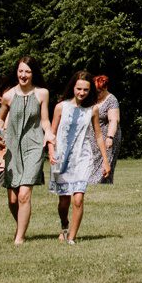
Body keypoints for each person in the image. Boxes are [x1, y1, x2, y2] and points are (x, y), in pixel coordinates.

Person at [49, 71, 108, 244]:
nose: (82, 93)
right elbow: (52, 132)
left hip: (83, 157)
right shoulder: (61, 107)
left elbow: (98, 135)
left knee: (78, 198)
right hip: (61, 158)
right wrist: (51, 151)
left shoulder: (93, 109)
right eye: (79, 89)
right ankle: (64, 225)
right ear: (73, 88)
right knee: (64, 202)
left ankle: (72, 238)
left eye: (86, 90)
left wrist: (105, 160)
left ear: (90, 91)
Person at [1, 57, 52, 243]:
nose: (23, 75)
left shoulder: (42, 93)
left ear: (33, 74)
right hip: (12, 149)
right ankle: (22, 225)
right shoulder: (8, 96)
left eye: (28, 71)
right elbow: (0, 119)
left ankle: (20, 238)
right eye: (21, 71)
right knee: (13, 200)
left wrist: (49, 133)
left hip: (34, 147)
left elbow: (45, 120)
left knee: (24, 195)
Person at [92, 75, 121, 183]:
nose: (96, 94)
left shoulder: (112, 100)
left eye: (99, 91)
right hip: (93, 137)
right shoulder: (91, 99)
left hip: (107, 137)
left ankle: (102, 185)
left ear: (106, 88)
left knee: (104, 166)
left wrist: (110, 137)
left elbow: (114, 120)